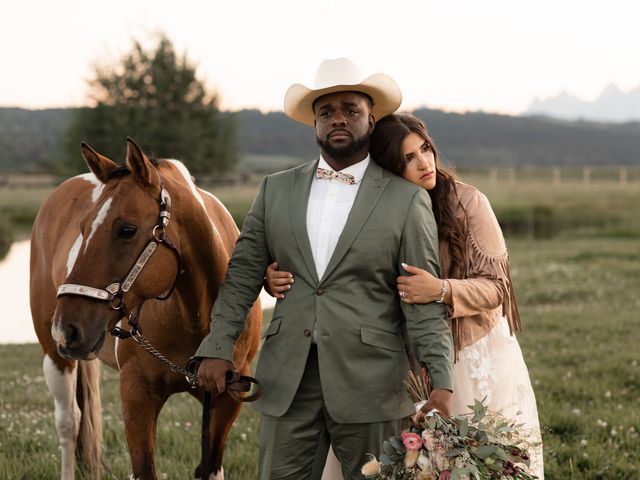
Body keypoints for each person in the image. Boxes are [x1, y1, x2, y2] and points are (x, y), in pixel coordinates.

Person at [194, 58, 455, 480]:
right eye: (326, 112)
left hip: (373, 382)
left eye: (350, 110)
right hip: (286, 382)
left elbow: (420, 300)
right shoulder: (274, 190)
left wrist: (440, 381)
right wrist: (217, 345)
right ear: (313, 124)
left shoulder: (406, 200)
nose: (338, 119)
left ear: (372, 119)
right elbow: (242, 275)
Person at [266, 113, 544, 479]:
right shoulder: (374, 209)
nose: (424, 163)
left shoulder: (468, 202)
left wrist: (443, 289)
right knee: (411, 465)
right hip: (403, 360)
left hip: (468, 355)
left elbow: (497, 287)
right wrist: (277, 277)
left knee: (472, 462)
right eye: (407, 158)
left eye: (425, 149)